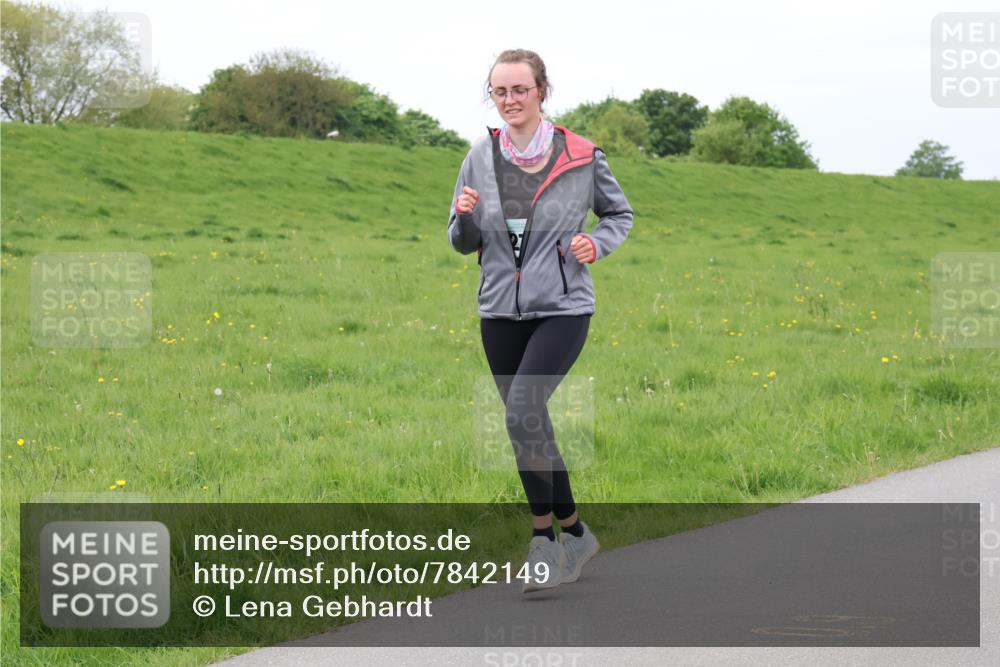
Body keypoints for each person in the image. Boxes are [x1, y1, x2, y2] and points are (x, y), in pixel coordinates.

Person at [446, 49, 634, 593]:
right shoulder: (479, 156)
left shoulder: (580, 155)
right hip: (500, 309)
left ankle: (543, 542)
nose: (509, 100)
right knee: (532, 422)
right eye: (500, 92)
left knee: (521, 411)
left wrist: (595, 243)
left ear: (541, 91)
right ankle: (575, 531)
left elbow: (619, 214)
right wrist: (462, 219)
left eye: (519, 90)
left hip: (564, 306)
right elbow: (463, 243)